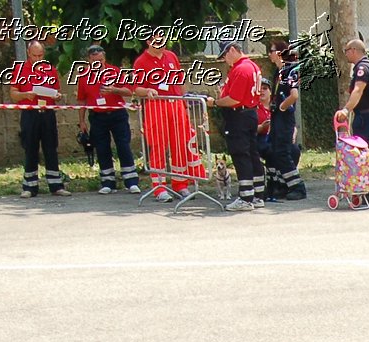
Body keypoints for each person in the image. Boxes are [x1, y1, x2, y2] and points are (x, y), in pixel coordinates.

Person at [131, 31, 201, 202]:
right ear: (148, 41)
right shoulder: (141, 62)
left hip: (176, 105)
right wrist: (147, 91)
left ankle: (181, 185)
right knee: (158, 146)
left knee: (179, 145)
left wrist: (185, 104)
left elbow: (180, 81)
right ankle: (159, 188)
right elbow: (136, 88)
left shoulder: (171, 56)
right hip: (156, 107)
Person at [74, 44, 139, 195]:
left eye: (101, 60)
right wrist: (82, 121)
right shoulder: (84, 76)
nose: (98, 63)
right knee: (102, 148)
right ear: (89, 60)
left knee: (123, 146)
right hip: (97, 116)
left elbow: (129, 91)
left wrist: (114, 90)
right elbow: (81, 100)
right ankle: (107, 181)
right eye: (95, 61)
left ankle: (131, 181)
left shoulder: (115, 71)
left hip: (117, 114)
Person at [10, 40, 68, 198]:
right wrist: (25, 95)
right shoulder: (20, 69)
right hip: (30, 114)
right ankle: (29, 187)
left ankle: (56, 186)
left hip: (47, 113)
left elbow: (57, 91)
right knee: (31, 149)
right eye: (35, 55)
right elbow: (13, 94)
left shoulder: (50, 70)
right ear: (29, 53)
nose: (38, 58)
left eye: (40, 55)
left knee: (51, 148)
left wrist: (57, 96)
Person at [215, 40, 266, 210]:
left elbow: (234, 99)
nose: (224, 60)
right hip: (250, 113)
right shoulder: (252, 66)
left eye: (224, 56)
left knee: (240, 154)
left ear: (232, 50)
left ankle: (245, 197)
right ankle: (257, 195)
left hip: (239, 115)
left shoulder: (241, 69)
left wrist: (216, 102)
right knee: (252, 153)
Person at [334, 39, 369, 205]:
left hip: (367, 117)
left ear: (354, 50)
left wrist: (345, 110)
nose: (346, 53)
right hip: (367, 116)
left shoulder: (363, 68)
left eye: (347, 50)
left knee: (366, 151)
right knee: (368, 151)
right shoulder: (365, 66)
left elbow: (358, 90)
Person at [266, 42, 307, 201]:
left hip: (284, 118)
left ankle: (297, 186)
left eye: (271, 50)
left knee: (283, 151)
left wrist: (282, 107)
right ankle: (281, 185)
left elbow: (294, 95)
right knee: (275, 150)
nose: (269, 54)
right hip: (277, 117)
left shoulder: (290, 70)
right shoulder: (279, 71)